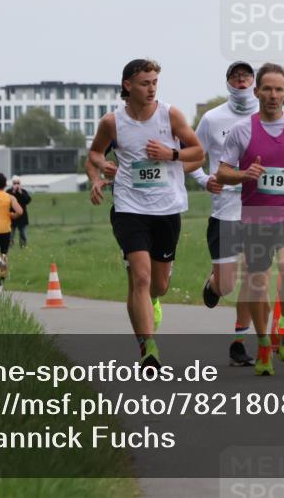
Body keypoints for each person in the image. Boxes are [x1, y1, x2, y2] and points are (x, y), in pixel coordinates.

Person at [87, 59, 203, 370]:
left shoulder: (170, 114)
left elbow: (198, 151)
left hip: (166, 207)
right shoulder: (112, 122)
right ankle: (147, 347)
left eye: (154, 82)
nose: (151, 88)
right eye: (144, 83)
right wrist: (100, 169)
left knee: (158, 284)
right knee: (140, 276)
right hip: (129, 206)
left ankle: (152, 302)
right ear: (127, 85)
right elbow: (95, 152)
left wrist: (172, 154)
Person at [216, 62, 284, 376]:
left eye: (279, 89)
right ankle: (264, 343)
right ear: (256, 92)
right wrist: (244, 174)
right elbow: (222, 172)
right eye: (267, 89)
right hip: (255, 216)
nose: (273, 95)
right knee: (257, 282)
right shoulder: (242, 130)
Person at [192, 61, 259, 367]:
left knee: (254, 276)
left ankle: (239, 342)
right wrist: (204, 180)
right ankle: (213, 283)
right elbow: (191, 156)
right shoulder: (212, 118)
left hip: (259, 208)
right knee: (228, 285)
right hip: (225, 210)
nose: (241, 81)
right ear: (229, 83)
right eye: (236, 77)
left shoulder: (269, 116)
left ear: (254, 82)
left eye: (246, 76)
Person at [9, 176, 32, 249]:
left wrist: (20, 192)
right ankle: (9, 247)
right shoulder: (8, 192)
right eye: (14, 183)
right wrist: (13, 192)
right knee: (10, 235)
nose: (16, 184)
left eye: (18, 183)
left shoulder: (23, 191)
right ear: (12, 184)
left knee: (23, 234)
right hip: (11, 217)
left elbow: (28, 200)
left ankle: (23, 247)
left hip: (22, 217)